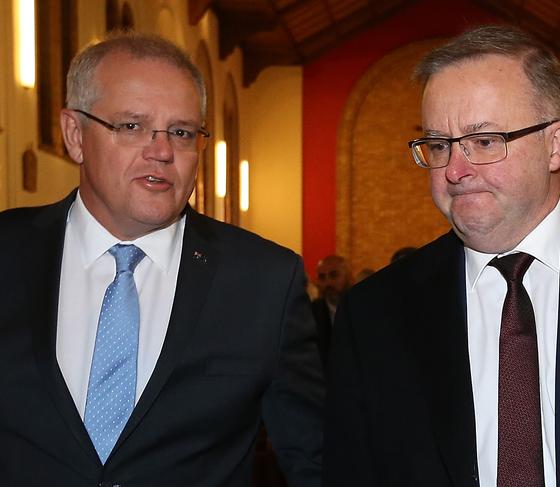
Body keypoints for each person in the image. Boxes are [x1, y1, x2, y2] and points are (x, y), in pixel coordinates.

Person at [324, 24, 560, 487]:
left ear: (555, 144)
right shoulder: (375, 313)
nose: (455, 170)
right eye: (438, 145)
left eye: (484, 141)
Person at [0, 32, 323, 486]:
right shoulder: (7, 252)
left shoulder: (264, 281)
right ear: (75, 134)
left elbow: (316, 457)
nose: (163, 151)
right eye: (131, 126)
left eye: (182, 132)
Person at [311, 255, 352, 366]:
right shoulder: (310, 313)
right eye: (322, 277)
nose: (328, 283)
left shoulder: (362, 308)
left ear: (348, 276)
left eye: (334, 275)